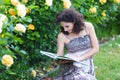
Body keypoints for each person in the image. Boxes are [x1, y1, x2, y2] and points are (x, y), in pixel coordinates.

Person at [53, 8, 99, 80]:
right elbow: (59, 55)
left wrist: (80, 58)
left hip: (86, 63)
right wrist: (58, 59)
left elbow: (96, 48)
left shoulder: (88, 27)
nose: (65, 29)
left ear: (74, 21)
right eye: (63, 27)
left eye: (67, 26)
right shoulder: (61, 36)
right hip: (71, 67)